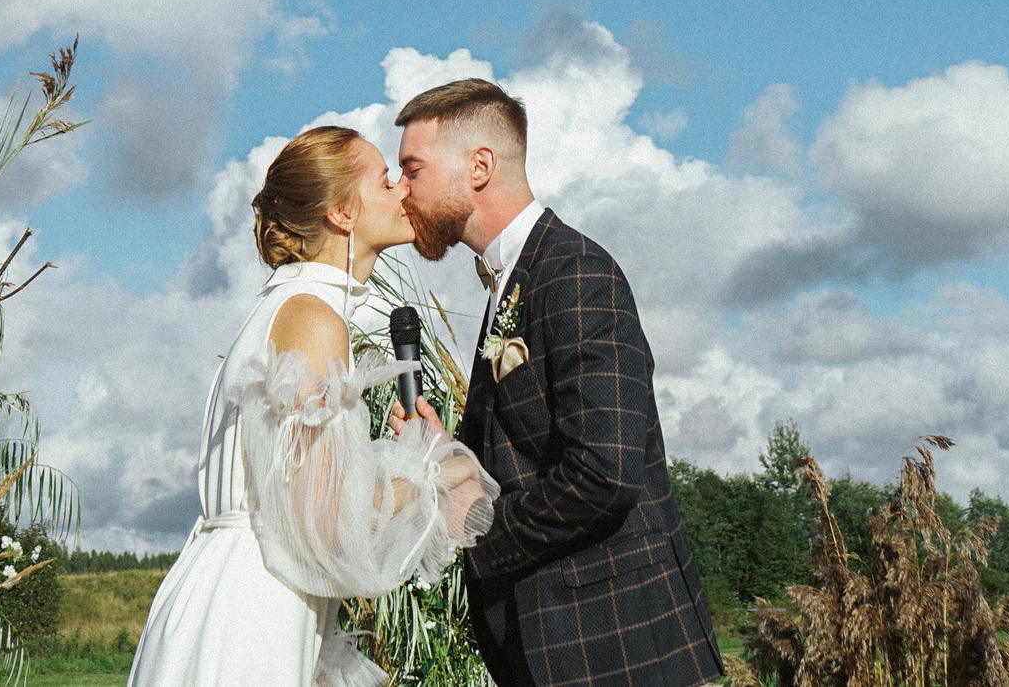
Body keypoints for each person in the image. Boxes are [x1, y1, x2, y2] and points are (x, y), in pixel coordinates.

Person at [129, 125, 497, 687]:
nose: (402, 189)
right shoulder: (312, 317)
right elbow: (325, 528)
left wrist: (398, 455)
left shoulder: (289, 307)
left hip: (245, 588)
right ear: (342, 215)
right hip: (256, 609)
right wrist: (437, 471)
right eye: (383, 180)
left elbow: (296, 490)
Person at [393, 79, 723, 687]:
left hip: (615, 649)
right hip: (554, 649)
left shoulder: (575, 272)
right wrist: (448, 458)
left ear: (480, 166)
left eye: (412, 168)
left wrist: (485, 527)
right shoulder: (512, 282)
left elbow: (606, 471)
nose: (400, 189)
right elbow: (525, 458)